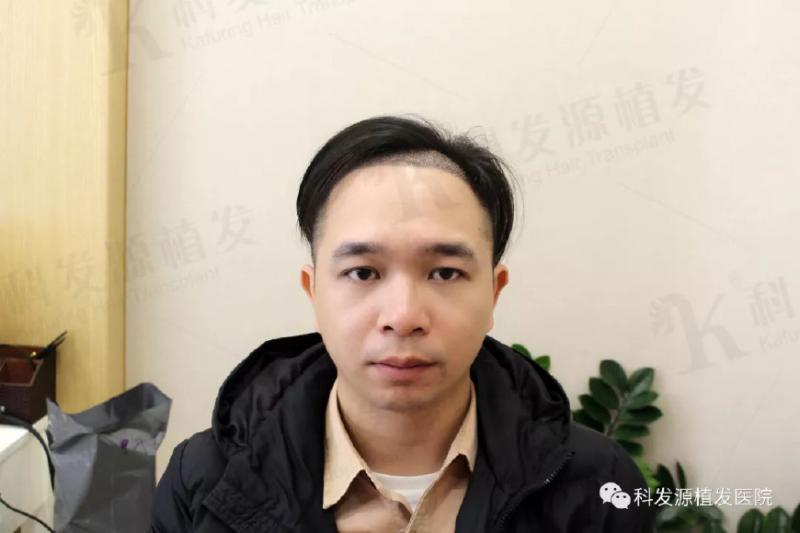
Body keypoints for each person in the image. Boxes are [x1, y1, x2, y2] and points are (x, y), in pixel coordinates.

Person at [150, 115, 656, 532]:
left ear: (494, 292)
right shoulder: (202, 480)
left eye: (445, 272)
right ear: (314, 291)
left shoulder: (597, 483)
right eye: (363, 272)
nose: (403, 317)